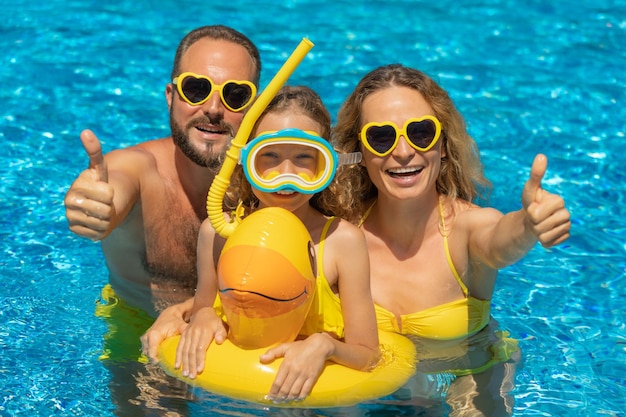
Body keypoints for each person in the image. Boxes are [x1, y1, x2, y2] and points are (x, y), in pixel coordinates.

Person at [330, 63, 571, 415]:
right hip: (376, 383)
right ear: (360, 154)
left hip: (469, 374)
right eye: (381, 137)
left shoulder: (468, 229)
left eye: (421, 133)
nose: (402, 152)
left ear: (442, 145)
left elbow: (499, 243)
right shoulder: (340, 233)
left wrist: (529, 225)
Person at [64, 25, 261, 416]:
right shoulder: (137, 170)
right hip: (141, 334)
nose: (214, 109)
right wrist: (95, 207)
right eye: (196, 89)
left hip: (239, 338)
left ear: (257, 107)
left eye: (236, 95)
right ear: (171, 96)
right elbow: (113, 185)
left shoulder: (273, 185)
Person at [174, 85, 380, 402]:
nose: (286, 175)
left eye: (304, 158)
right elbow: (204, 308)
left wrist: (325, 345)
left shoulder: (342, 242)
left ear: (327, 165)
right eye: (268, 156)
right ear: (243, 159)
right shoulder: (217, 234)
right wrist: (202, 317)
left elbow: (368, 355)